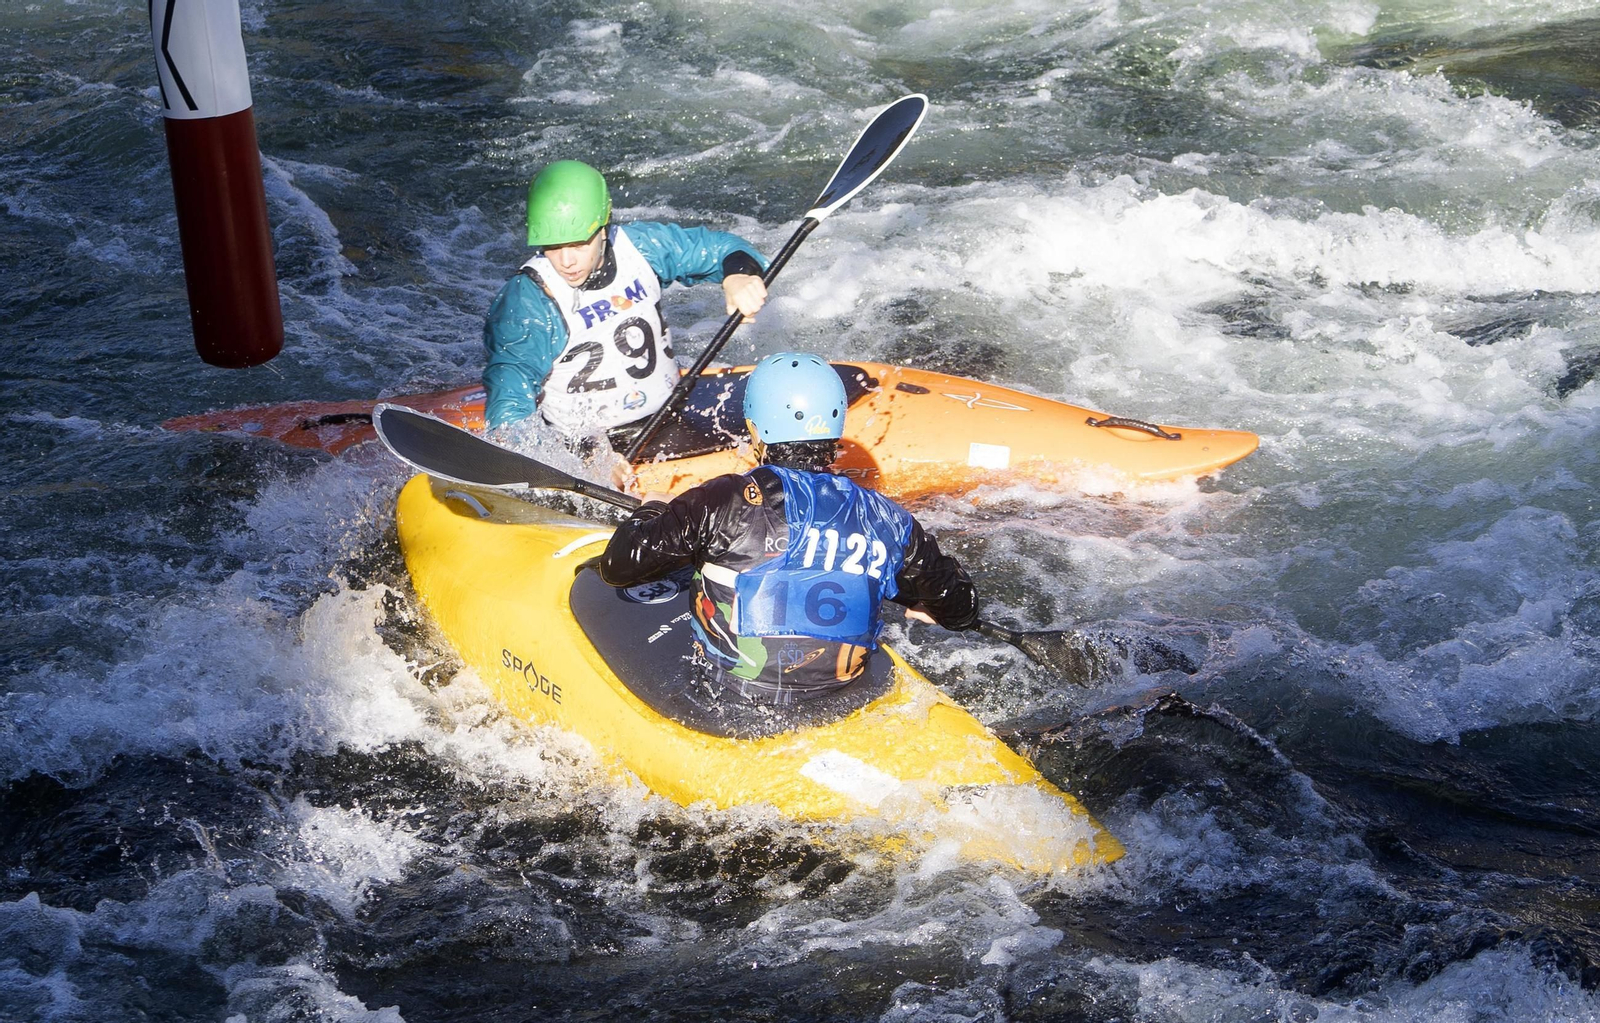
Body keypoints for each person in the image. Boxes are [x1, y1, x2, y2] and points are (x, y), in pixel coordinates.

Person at [598, 352, 980, 705]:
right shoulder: (888, 518)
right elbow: (961, 606)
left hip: (731, 695)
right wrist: (931, 603)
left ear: (754, 428)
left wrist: (652, 508)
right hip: (840, 696)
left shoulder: (726, 498)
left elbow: (619, 566)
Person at [482, 159, 769, 436]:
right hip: (583, 443)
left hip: (669, 414)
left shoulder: (641, 247)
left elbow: (720, 248)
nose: (566, 261)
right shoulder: (528, 298)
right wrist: (586, 466)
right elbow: (510, 399)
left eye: (578, 243)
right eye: (553, 246)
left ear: (604, 229)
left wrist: (738, 275)